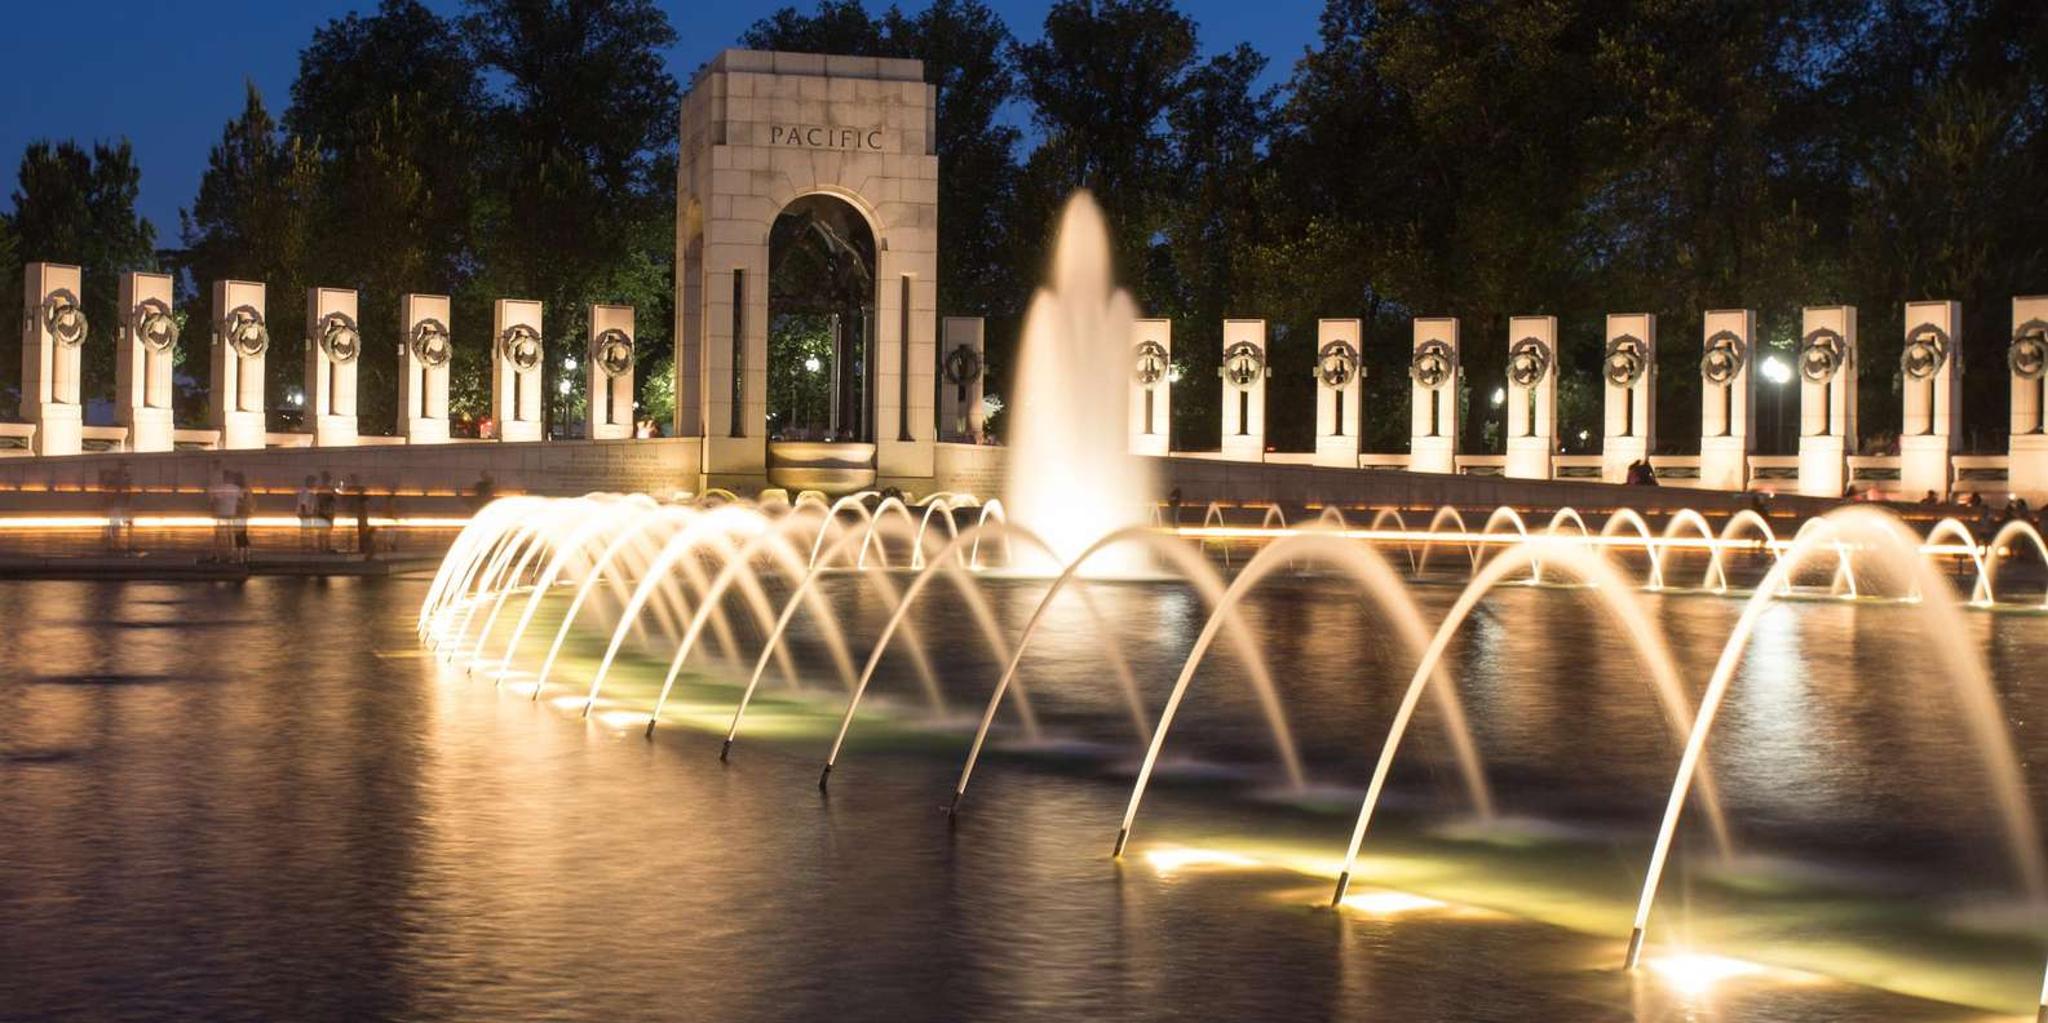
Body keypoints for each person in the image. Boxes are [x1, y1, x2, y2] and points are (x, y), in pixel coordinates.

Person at [207, 470, 240, 560]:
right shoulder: (236, 489)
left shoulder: (218, 488)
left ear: (223, 478)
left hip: (219, 513)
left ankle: (216, 553)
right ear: (232, 478)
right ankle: (231, 553)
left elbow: (211, 499)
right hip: (230, 513)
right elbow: (240, 499)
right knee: (230, 534)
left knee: (217, 534)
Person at [103, 461, 134, 553]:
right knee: (117, 524)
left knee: (119, 524)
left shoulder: (125, 478)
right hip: (118, 504)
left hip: (120, 504)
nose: (127, 469)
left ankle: (116, 543)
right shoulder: (120, 478)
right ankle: (115, 543)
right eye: (126, 467)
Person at [348, 475, 373, 559]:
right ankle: (360, 547)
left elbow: (367, 497)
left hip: (359, 513)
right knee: (360, 531)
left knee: (362, 531)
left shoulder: (357, 489)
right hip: (357, 513)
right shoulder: (354, 489)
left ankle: (362, 547)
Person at [232, 472, 253, 563]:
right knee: (243, 533)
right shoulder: (248, 490)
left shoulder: (239, 491)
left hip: (238, 514)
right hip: (244, 515)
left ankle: (241, 556)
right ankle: (247, 554)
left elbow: (239, 502)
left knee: (238, 535)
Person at [315, 470, 338, 553]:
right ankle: (325, 547)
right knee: (326, 531)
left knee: (322, 531)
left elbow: (318, 499)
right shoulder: (330, 489)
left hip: (323, 511)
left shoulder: (321, 489)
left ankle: (321, 547)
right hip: (328, 512)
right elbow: (335, 499)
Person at [295, 475, 318, 550]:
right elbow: (303, 504)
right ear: (309, 482)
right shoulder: (306, 491)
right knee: (307, 530)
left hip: (305, 513)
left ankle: (306, 544)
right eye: (313, 482)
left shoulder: (305, 490)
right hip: (305, 514)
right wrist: (305, 514)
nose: (314, 484)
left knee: (306, 530)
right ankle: (306, 545)